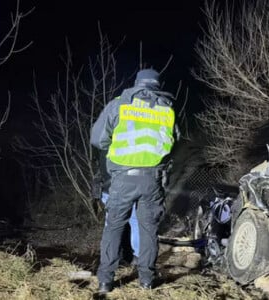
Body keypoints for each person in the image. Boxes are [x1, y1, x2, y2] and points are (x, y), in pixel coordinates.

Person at [90, 68, 176, 294]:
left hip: (123, 178)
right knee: (149, 230)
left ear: (137, 83)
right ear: (157, 85)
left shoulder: (120, 104)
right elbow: (172, 142)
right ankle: (147, 281)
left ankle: (105, 282)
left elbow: (97, 139)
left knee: (114, 227)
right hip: (153, 180)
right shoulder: (167, 109)